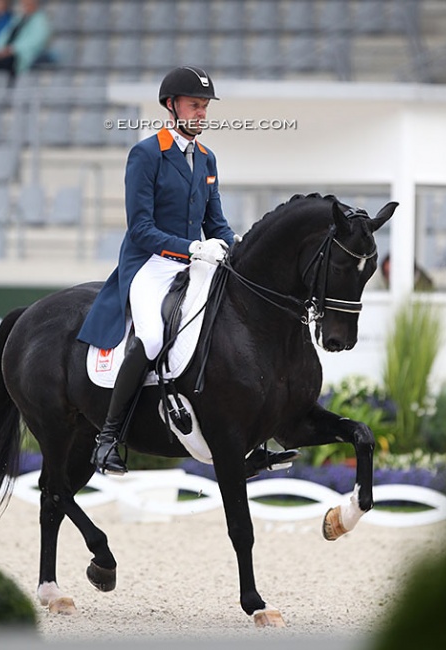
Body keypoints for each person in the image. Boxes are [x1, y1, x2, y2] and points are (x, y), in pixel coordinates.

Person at [79, 66, 294, 476]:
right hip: (151, 264)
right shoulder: (146, 154)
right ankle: (108, 438)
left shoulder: (207, 158)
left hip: (196, 263)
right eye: (195, 105)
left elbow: (216, 223)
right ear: (172, 106)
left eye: (205, 107)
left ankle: (248, 441)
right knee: (153, 336)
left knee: (230, 328)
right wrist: (192, 247)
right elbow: (140, 228)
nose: (202, 113)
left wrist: (239, 251)